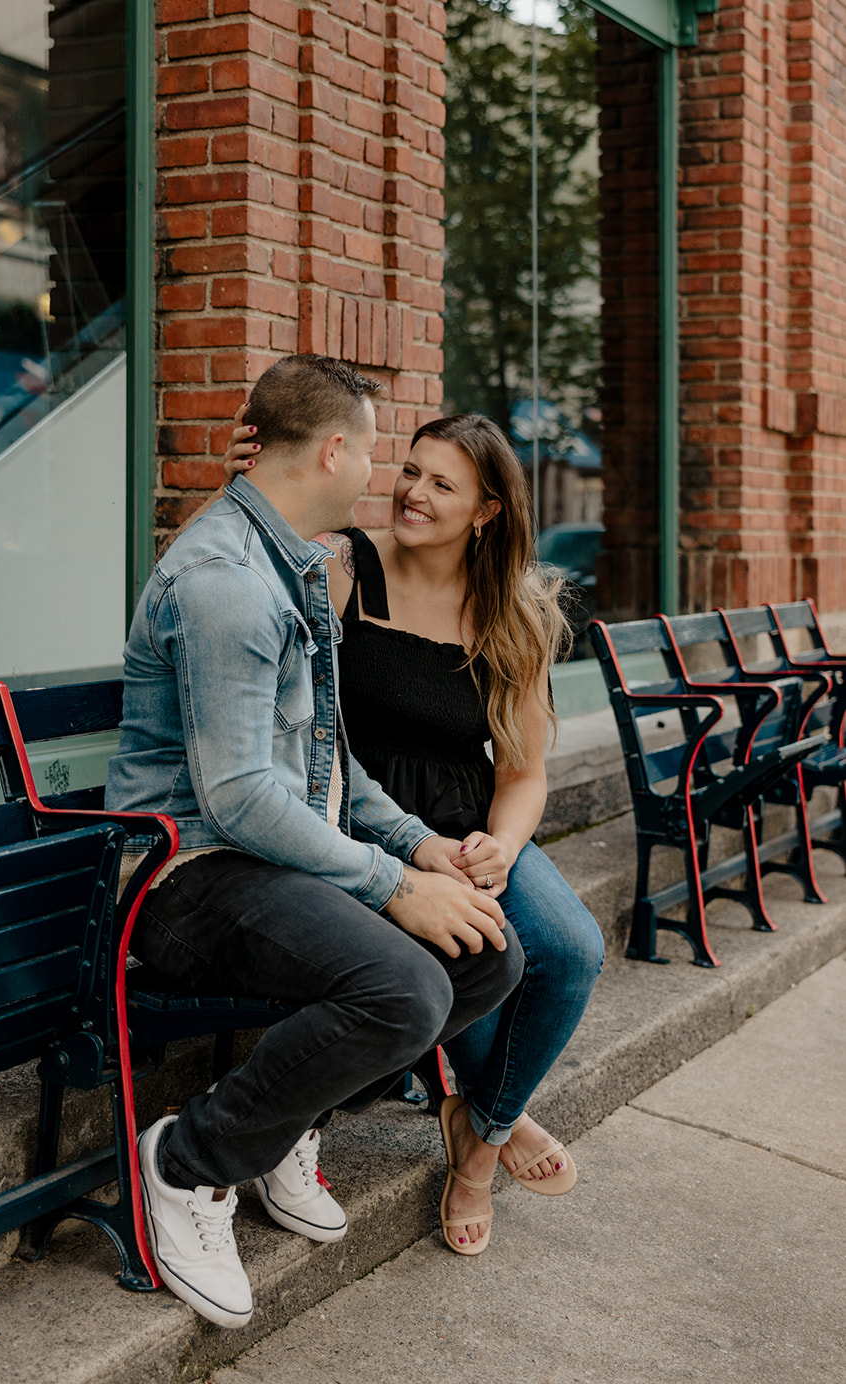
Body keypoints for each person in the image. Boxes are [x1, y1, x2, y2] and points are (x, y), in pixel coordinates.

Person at [105, 355, 525, 1328]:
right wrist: (388, 885)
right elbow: (243, 798)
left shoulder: (293, 565)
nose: (381, 472)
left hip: (268, 862)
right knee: (407, 984)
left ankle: (285, 1122)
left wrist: (421, 847)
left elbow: (326, 761)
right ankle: (188, 1160)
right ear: (333, 449)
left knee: (484, 958)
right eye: (376, 449)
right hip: (182, 877)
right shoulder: (224, 584)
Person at [224, 404, 605, 1255]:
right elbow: (233, 575)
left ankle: (482, 1135)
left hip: (469, 829)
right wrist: (242, 479)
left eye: (442, 484)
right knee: (469, 945)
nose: (413, 493)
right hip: (359, 823)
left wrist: (501, 846)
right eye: (409, 471)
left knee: (572, 951)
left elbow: (524, 773)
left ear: (486, 511)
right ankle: (490, 1133)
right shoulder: (345, 568)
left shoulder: (515, 607)